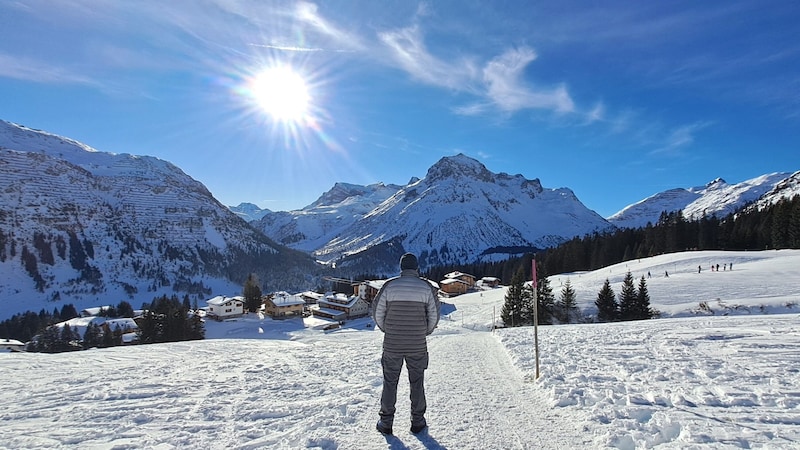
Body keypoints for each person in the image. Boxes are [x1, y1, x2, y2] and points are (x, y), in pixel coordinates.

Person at [372, 252, 440, 436]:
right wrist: (424, 331)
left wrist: (388, 329)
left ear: (401, 268)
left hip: (392, 344)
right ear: (416, 268)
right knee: (417, 382)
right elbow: (434, 316)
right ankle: (417, 422)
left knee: (390, 382)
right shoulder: (426, 287)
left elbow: (377, 313)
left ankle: (386, 423)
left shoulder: (389, 286)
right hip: (417, 344)